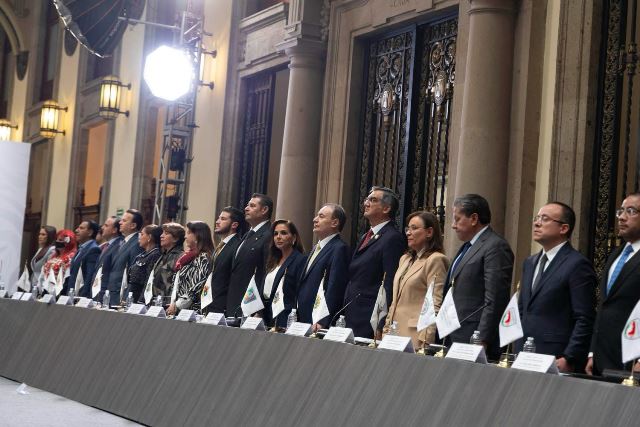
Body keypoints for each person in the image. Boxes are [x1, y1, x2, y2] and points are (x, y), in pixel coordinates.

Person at [516, 202, 596, 372]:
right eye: (537, 218)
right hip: (524, 354)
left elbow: (584, 317)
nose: (537, 223)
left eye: (545, 219)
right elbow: (523, 309)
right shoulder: (530, 262)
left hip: (556, 357)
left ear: (563, 228)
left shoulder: (577, 264)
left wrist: (570, 357)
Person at [443, 194, 514, 361]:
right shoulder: (467, 247)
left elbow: (494, 298)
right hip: (454, 334)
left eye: (457, 219)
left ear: (474, 218)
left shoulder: (495, 246)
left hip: (474, 338)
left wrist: (482, 338)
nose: (453, 225)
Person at [587, 193, 640, 376]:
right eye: (621, 211)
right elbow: (605, 305)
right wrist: (593, 352)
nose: (622, 217)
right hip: (602, 358)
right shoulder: (616, 254)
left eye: (631, 211)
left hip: (632, 359)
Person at [344, 186, 406, 339]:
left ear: (386, 208)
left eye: (373, 200)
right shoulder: (367, 235)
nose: (366, 203)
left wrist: (381, 323)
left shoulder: (392, 238)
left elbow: (389, 281)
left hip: (370, 316)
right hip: (352, 311)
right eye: (367, 199)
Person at [383, 211, 449, 349]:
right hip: (393, 334)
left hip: (415, 336)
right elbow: (395, 301)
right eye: (407, 228)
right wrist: (386, 329)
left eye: (414, 228)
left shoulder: (435, 260)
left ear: (429, 232)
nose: (408, 233)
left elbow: (434, 304)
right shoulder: (405, 259)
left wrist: (426, 341)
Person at [297, 203, 350, 331]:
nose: (315, 220)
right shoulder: (317, 247)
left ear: (334, 223)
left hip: (318, 321)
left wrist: (323, 321)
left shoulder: (339, 248)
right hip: (303, 317)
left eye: (321, 216)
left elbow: (335, 287)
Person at [227, 193, 273, 316]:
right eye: (247, 205)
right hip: (235, 303)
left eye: (252, 206)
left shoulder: (269, 235)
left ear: (264, 210)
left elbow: (267, 272)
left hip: (252, 305)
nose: (246, 208)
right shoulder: (247, 235)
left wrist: (259, 308)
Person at [262, 220, 305, 328]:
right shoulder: (273, 260)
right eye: (275, 234)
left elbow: (299, 293)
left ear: (294, 237)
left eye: (283, 233)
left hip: (286, 317)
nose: (278, 237)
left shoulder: (300, 260)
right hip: (267, 316)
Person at [166, 221, 214, 315]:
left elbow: (198, 285)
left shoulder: (203, 257)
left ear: (198, 236)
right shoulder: (188, 256)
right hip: (180, 309)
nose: (185, 237)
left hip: (192, 312)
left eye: (188, 233)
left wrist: (178, 305)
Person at [205, 207, 245, 314]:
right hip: (210, 304)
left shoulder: (237, 246)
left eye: (223, 219)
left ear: (234, 225)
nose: (217, 222)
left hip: (224, 308)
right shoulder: (220, 246)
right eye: (218, 218)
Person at [107, 209, 144, 306]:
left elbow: (133, 274)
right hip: (112, 293)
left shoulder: (137, 243)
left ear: (133, 225)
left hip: (121, 296)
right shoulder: (123, 242)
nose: (120, 222)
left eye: (124, 220)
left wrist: (126, 298)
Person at [149, 222, 185, 303]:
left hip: (168, 303)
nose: (161, 236)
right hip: (155, 301)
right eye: (162, 233)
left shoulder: (181, 257)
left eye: (166, 233)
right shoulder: (163, 255)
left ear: (176, 238)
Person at [92, 216, 124, 302]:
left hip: (105, 295)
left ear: (114, 230)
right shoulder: (107, 245)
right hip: (97, 291)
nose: (102, 228)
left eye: (106, 225)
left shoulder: (119, 246)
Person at [128, 224, 162, 303]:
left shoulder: (155, 255)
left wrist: (141, 301)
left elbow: (148, 281)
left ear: (149, 237)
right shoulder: (142, 255)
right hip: (132, 296)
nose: (139, 237)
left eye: (142, 234)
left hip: (141, 299)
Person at [69, 220, 101, 298]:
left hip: (80, 296)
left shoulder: (93, 249)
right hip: (72, 293)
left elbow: (89, 277)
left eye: (81, 228)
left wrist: (83, 297)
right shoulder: (81, 248)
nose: (76, 230)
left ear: (90, 232)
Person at [41, 230, 78, 295]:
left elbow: (67, 276)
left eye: (60, 240)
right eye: (56, 239)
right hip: (47, 287)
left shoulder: (71, 256)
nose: (57, 242)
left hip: (60, 289)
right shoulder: (54, 255)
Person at [30, 225, 56, 292]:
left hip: (43, 286)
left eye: (43, 234)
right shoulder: (40, 249)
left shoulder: (52, 250)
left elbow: (48, 271)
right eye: (40, 234)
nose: (40, 236)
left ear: (50, 236)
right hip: (34, 284)